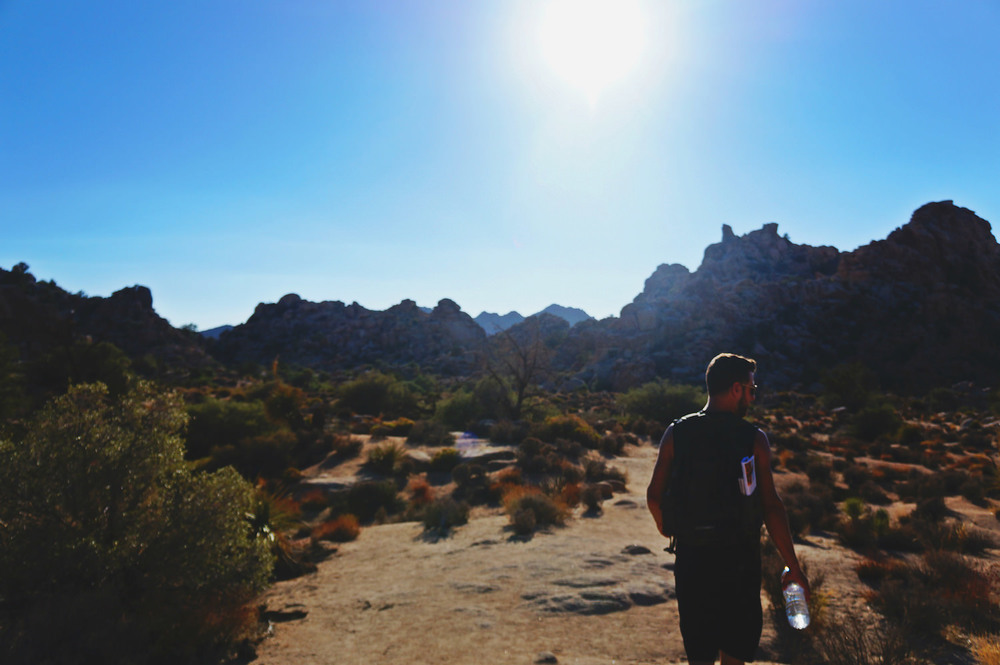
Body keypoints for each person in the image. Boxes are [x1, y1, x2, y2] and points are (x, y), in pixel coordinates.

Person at [646, 353, 808, 665]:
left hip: (692, 561)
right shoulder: (753, 439)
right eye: (751, 389)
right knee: (734, 652)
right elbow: (772, 506)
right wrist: (793, 566)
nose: (752, 395)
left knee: (700, 653)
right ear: (735, 389)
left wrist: (667, 527)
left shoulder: (676, 432)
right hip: (740, 564)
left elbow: (654, 496)